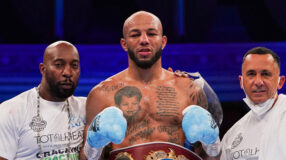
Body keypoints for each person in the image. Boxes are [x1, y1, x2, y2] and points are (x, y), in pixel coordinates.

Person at [80, 11, 221, 160]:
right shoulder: (101, 94)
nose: (144, 40)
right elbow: (86, 158)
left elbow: (210, 157)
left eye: (152, 34)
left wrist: (213, 145)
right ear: (124, 44)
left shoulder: (188, 89)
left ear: (163, 41)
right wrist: (92, 147)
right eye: (135, 35)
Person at [0, 41, 86, 160]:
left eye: (74, 65)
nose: (68, 72)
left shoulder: (87, 108)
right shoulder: (11, 110)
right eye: (59, 64)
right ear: (43, 69)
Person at [220, 47, 286, 160]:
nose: (258, 82)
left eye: (265, 74)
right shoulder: (231, 136)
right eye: (251, 74)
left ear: (280, 82)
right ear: (241, 82)